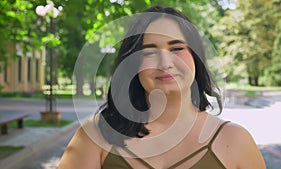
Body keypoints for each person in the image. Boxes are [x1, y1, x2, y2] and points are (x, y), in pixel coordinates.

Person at [58, 6, 266, 169]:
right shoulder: (96, 135)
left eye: (176, 48)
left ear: (196, 57)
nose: (164, 62)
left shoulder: (235, 141)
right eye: (148, 52)